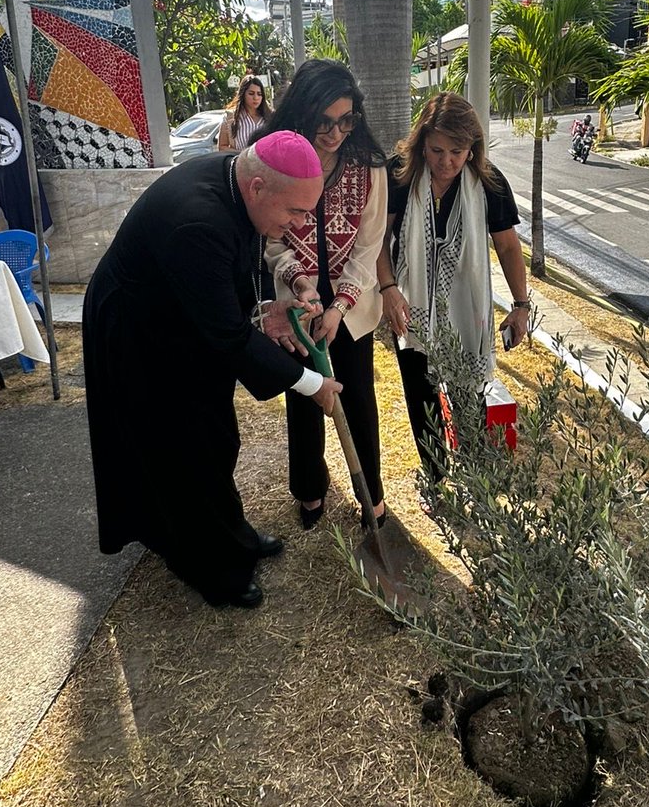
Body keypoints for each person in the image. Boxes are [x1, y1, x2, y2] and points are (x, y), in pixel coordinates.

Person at [82, 133, 341, 609]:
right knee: (183, 451)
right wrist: (312, 385)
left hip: (183, 323)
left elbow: (232, 276)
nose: (302, 225)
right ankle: (211, 568)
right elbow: (228, 336)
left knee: (217, 437)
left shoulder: (236, 180)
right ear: (258, 187)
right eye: (296, 213)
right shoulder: (197, 221)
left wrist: (265, 309)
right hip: (140, 336)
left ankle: (233, 537)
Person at [256, 60, 388, 529]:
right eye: (325, 121)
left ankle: (370, 491)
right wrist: (301, 283)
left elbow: (371, 243)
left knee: (358, 398)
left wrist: (340, 305)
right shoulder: (279, 158)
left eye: (346, 120)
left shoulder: (369, 167)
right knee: (303, 396)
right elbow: (271, 238)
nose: (335, 133)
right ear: (303, 111)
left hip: (350, 308)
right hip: (297, 300)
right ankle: (310, 488)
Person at [377, 91, 530, 474]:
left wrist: (521, 305)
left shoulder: (489, 183)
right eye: (436, 150)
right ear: (421, 144)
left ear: (472, 148)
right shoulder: (400, 174)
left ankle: (476, 474)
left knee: (467, 394)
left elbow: (509, 247)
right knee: (421, 395)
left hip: (466, 307)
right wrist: (388, 288)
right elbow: (377, 237)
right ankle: (435, 474)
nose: (446, 162)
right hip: (411, 306)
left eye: (457, 152)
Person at [217, 75, 270, 152]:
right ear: (243, 94)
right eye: (251, 93)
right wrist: (243, 155)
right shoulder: (231, 118)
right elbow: (222, 147)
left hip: (265, 163)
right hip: (241, 162)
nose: (256, 98)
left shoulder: (270, 117)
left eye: (259, 94)